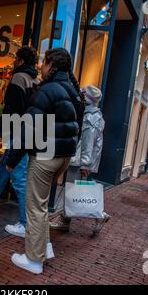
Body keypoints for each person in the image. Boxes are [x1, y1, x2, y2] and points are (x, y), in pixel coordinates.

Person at [7, 48, 80, 274]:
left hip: (45, 156)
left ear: (52, 65)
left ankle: (34, 260)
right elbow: (78, 127)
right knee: (43, 205)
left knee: (35, 207)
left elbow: (28, 129)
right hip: (64, 156)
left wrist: (13, 158)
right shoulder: (74, 91)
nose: (41, 66)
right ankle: (44, 247)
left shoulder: (46, 91)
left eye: (43, 62)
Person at [0, 46, 40, 238]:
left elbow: (12, 108)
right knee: (4, 168)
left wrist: (5, 129)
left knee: (18, 177)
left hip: (18, 132)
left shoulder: (19, 78)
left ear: (20, 60)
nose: (13, 62)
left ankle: (25, 223)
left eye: (15, 59)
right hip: (28, 131)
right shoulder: (35, 79)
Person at [49, 85, 110, 235]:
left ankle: (99, 215)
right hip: (79, 159)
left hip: (79, 160)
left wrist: (85, 163)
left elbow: (88, 143)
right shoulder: (93, 114)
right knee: (73, 190)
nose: (79, 97)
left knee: (73, 191)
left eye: (82, 95)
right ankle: (65, 219)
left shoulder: (90, 117)